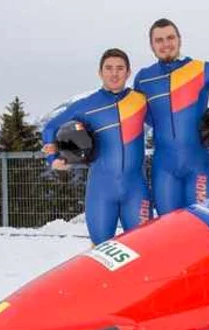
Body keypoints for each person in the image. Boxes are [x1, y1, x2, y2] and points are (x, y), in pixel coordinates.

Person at [134, 18, 209, 215]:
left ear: (180, 39)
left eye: (171, 38)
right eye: (159, 40)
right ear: (152, 45)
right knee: (168, 232)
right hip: (164, 171)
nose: (166, 44)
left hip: (198, 166)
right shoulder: (143, 78)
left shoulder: (203, 69)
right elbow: (143, 116)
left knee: (204, 227)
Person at [42, 48, 151, 245]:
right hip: (101, 191)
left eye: (120, 68)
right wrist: (53, 159)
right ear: (100, 72)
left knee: (143, 248)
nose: (114, 73)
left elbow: (167, 126)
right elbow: (50, 127)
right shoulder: (87, 105)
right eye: (109, 68)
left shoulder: (140, 101)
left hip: (136, 190)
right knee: (102, 252)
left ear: (128, 72)